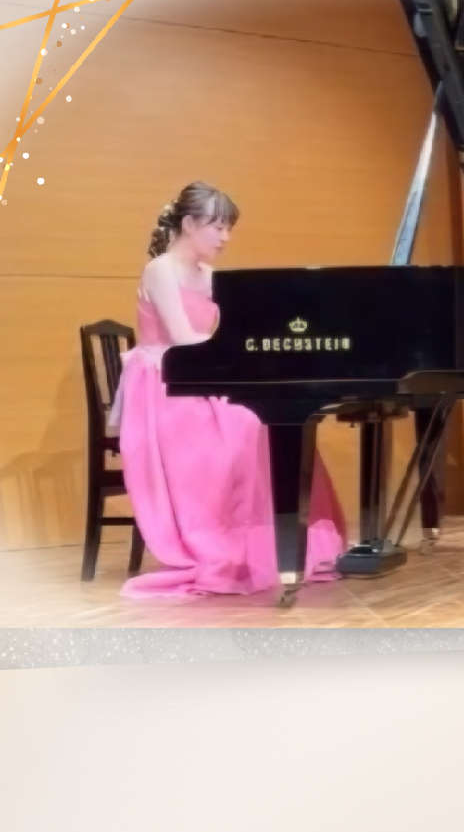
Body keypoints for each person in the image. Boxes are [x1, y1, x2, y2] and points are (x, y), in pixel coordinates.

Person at [112, 181, 346, 598]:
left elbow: (227, 334)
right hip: (164, 380)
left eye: (228, 228)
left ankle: (274, 538)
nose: (225, 237)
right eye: (217, 227)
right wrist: (234, 354)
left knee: (266, 420)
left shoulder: (209, 276)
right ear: (189, 224)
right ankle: (222, 540)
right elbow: (182, 339)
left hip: (199, 374)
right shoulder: (161, 269)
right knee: (242, 428)